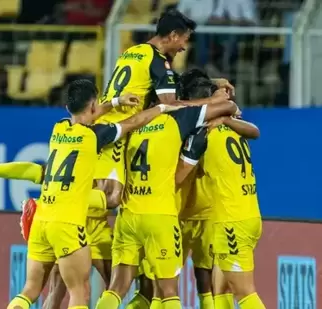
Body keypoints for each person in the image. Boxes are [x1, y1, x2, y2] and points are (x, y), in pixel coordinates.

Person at [3, 79, 184, 309]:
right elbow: (133, 123)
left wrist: (116, 102)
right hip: (86, 221)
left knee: (57, 288)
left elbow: (43, 171)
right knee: (101, 288)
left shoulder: (61, 128)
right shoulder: (103, 132)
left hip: (66, 215)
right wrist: (160, 108)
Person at [98, 9, 234, 309]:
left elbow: (161, 90)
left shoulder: (133, 53)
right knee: (106, 200)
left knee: (118, 283)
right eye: (183, 40)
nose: (183, 47)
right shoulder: (159, 63)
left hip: (113, 129)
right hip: (121, 139)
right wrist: (211, 101)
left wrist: (209, 81)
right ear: (172, 36)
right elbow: (171, 104)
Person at [178, 79, 265, 309]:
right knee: (221, 288)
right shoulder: (233, 126)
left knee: (245, 292)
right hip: (248, 214)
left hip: (232, 222)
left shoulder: (203, 136)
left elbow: (182, 176)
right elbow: (255, 131)